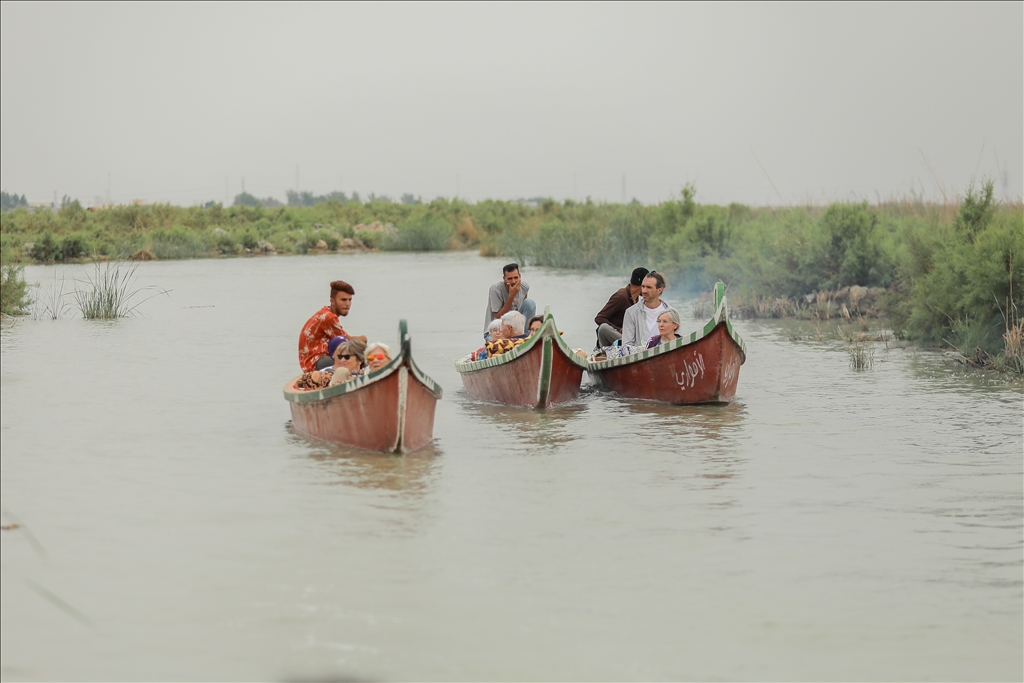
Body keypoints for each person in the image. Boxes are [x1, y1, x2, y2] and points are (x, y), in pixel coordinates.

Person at [298, 280, 367, 372]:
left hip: (313, 360)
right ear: (332, 301)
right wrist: (364, 339)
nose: (348, 304)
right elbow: (348, 341)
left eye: (350, 300)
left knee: (353, 356)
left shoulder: (326, 312)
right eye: (343, 300)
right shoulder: (329, 317)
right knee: (358, 357)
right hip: (317, 361)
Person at [594, 267, 649, 348]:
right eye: (646, 286)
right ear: (642, 284)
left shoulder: (636, 300)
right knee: (603, 328)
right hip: (614, 338)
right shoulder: (620, 297)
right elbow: (599, 318)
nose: (647, 290)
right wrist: (619, 329)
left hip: (627, 337)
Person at [482, 263, 536, 340]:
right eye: (509, 279)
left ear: (520, 276)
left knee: (530, 303)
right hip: (496, 331)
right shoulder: (496, 289)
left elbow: (525, 307)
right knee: (495, 342)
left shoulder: (524, 287)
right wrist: (511, 296)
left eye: (516, 277)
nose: (513, 281)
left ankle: (525, 336)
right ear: (504, 278)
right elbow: (497, 316)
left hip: (515, 332)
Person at [621, 271, 672, 350]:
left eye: (649, 287)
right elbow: (626, 346)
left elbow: (677, 340)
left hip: (665, 354)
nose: (644, 291)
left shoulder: (671, 313)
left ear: (659, 290)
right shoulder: (631, 312)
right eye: (643, 286)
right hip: (641, 357)